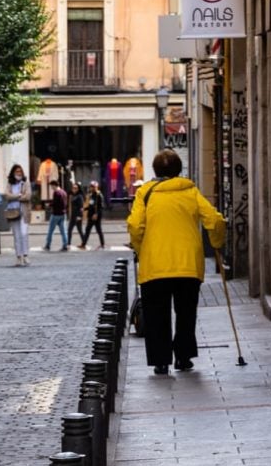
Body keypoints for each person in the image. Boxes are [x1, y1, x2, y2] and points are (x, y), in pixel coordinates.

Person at [127, 149, 226, 375]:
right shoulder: (190, 191)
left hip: (155, 265)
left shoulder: (145, 193)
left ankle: (161, 361)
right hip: (188, 264)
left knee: (156, 315)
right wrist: (217, 242)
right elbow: (215, 220)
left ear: (155, 170)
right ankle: (183, 357)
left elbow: (135, 225)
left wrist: (141, 249)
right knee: (186, 313)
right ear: (178, 169)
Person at [3, 164, 32, 266]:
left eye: (20, 171)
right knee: (16, 235)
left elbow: (28, 196)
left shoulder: (26, 183)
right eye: (16, 171)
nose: (18, 173)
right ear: (13, 173)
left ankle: (25, 255)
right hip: (13, 212)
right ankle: (18, 256)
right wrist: (18, 196)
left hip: (24, 212)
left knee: (24, 233)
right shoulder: (10, 184)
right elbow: (6, 195)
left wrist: (16, 198)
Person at [43, 180, 69, 251]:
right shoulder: (64, 192)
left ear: (54, 185)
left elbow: (55, 203)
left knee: (50, 230)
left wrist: (49, 204)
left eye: (51, 186)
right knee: (63, 231)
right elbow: (65, 203)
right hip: (63, 214)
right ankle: (65, 245)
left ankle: (48, 245)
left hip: (56, 214)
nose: (51, 187)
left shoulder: (56, 193)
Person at [80, 180, 105, 249]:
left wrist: (96, 214)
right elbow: (91, 205)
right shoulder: (91, 195)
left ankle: (102, 244)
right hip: (90, 216)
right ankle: (83, 244)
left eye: (93, 187)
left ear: (96, 187)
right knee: (87, 230)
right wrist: (84, 209)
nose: (92, 188)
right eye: (91, 187)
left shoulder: (99, 195)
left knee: (99, 230)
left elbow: (101, 207)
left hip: (96, 217)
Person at [67, 182, 85, 248]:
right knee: (69, 229)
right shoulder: (72, 195)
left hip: (77, 216)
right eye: (73, 188)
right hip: (73, 216)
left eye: (75, 188)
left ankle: (84, 243)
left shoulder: (79, 196)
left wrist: (80, 216)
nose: (74, 189)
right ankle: (68, 243)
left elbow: (81, 207)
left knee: (80, 230)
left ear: (78, 189)